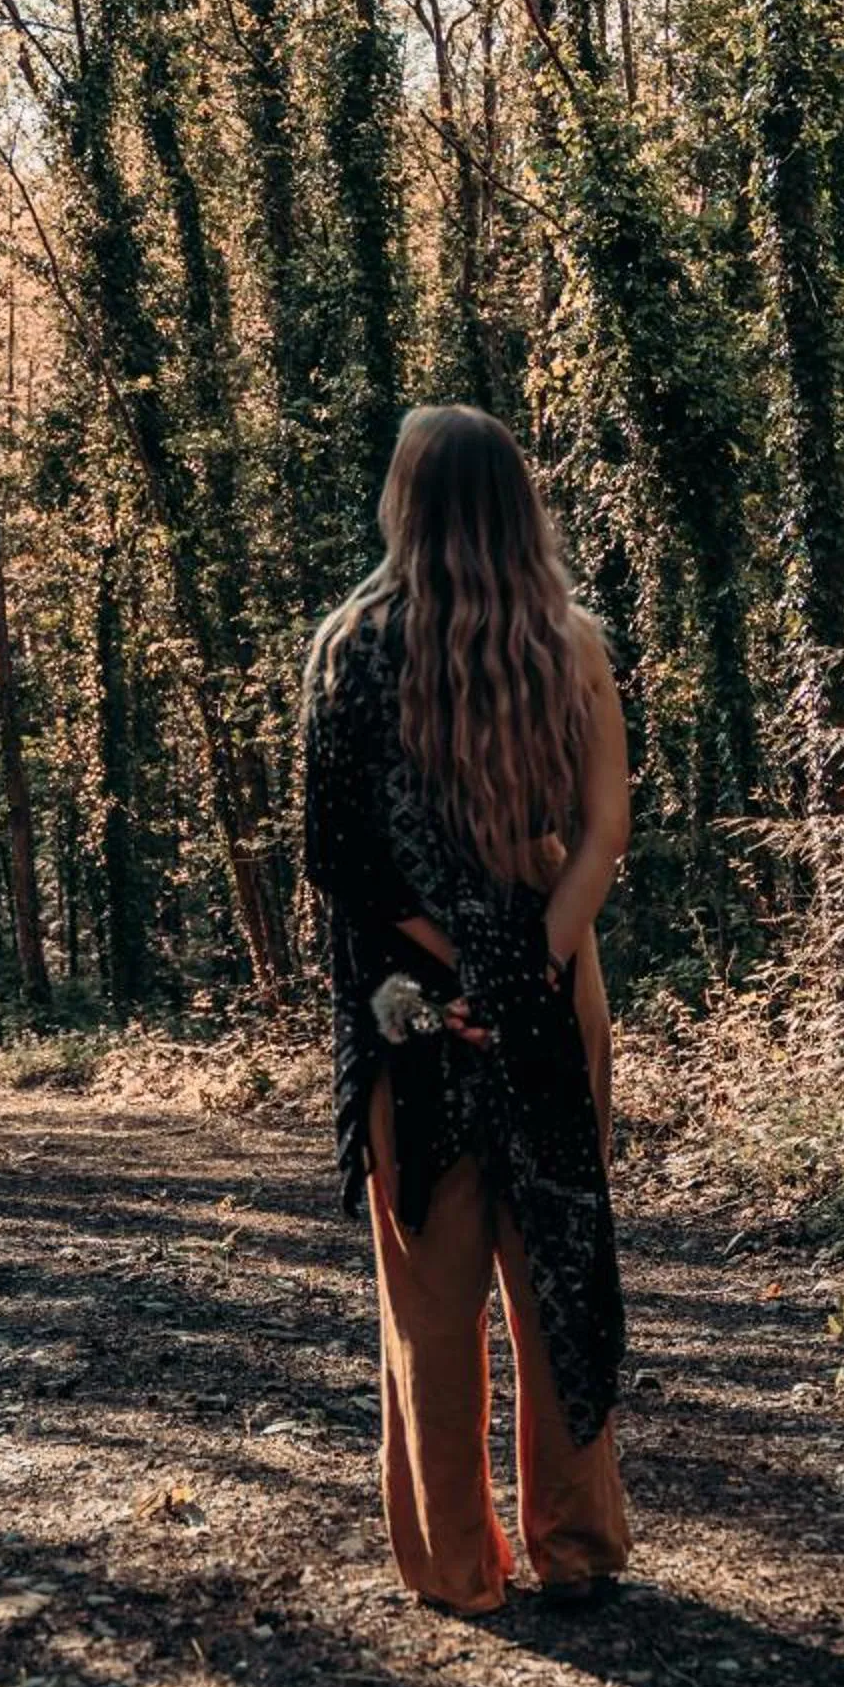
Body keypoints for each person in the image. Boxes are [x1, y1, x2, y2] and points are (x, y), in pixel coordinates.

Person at [302, 405, 632, 1617]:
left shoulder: (347, 645)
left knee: (429, 1291)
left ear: (404, 501)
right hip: (551, 975)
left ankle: (454, 1568)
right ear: (516, 505)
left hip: (404, 999)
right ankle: (578, 1543)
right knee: (556, 1249)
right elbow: (604, 836)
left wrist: (459, 973)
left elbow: (336, 859)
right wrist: (528, 964)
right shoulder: (568, 640)